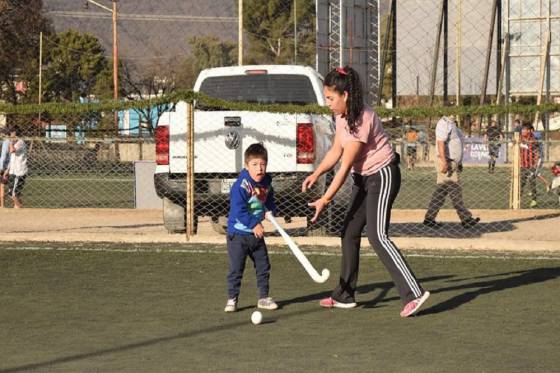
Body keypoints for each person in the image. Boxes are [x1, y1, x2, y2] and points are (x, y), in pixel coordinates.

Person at [301, 66, 429, 318]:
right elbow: (336, 151)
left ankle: (413, 293)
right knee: (349, 231)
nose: (327, 103)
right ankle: (345, 294)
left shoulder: (362, 119)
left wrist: (325, 199)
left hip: (383, 176)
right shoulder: (341, 116)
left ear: (345, 95)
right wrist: (316, 173)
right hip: (364, 178)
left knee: (377, 236)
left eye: (330, 98)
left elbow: (346, 164)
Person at [224, 143, 278, 313]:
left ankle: (263, 298)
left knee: (263, 266)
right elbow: (238, 210)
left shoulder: (267, 182)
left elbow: (269, 199)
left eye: (262, 164)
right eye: (254, 165)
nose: (259, 169)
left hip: (256, 236)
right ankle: (232, 299)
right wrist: (254, 223)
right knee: (236, 269)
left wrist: (270, 210)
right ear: (247, 166)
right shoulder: (241, 186)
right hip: (238, 235)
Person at [423, 116, 480, 229]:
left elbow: (456, 146)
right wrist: (444, 162)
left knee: (441, 191)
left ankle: (429, 218)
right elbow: (440, 143)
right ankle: (466, 219)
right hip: (447, 163)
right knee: (455, 191)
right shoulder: (444, 123)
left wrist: (459, 163)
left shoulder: (454, 126)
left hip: (452, 163)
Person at [5, 126, 28, 209]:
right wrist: (7, 170)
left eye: (11, 133)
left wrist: (10, 142)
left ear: (15, 133)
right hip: (13, 171)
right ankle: (18, 206)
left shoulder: (20, 142)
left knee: (14, 194)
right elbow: (12, 158)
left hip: (19, 172)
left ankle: (19, 207)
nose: (9, 135)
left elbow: (12, 150)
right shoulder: (15, 142)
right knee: (10, 193)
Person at [519, 124, 541, 207]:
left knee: (532, 182)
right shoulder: (520, 138)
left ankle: (534, 200)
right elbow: (513, 141)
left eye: (524, 130)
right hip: (523, 165)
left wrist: (536, 165)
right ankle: (518, 199)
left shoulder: (533, 139)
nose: (523, 131)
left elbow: (537, 153)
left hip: (531, 165)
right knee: (521, 183)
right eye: (522, 130)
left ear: (528, 131)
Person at [0, 128, 11, 207]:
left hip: (4, 167)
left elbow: (3, 157)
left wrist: (0, 169)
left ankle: (2, 205)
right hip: (9, 166)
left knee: (2, 186)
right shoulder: (10, 141)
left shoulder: (6, 142)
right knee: (7, 186)